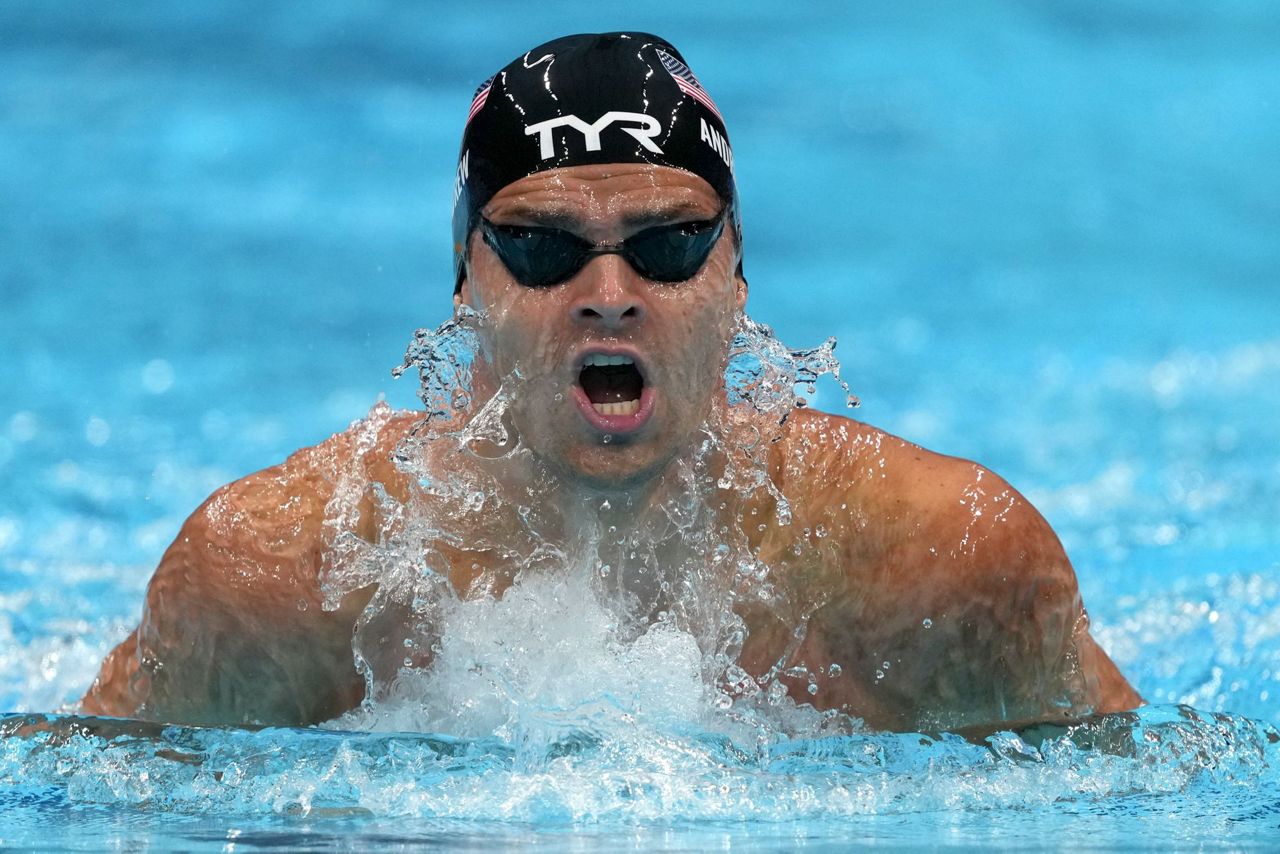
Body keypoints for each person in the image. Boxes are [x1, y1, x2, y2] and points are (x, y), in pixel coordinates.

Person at [81, 32, 1141, 732]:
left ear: (734, 274)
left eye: (667, 242)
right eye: (542, 248)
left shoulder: (936, 563)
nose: (608, 290)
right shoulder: (277, 578)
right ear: (467, 284)